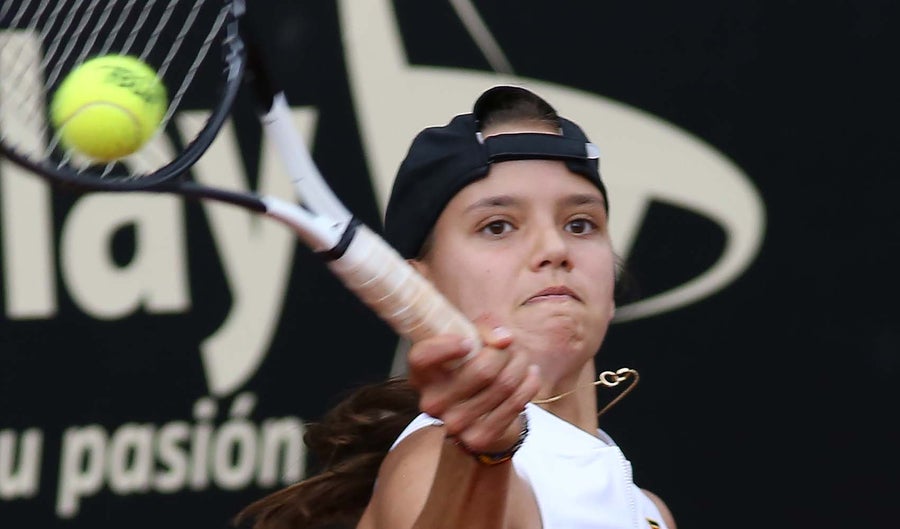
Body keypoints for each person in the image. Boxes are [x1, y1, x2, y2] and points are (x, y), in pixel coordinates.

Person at [234, 85, 677, 529]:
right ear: (419, 288)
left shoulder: (650, 512)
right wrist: (482, 453)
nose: (555, 248)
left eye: (580, 224)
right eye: (498, 226)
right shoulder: (429, 461)